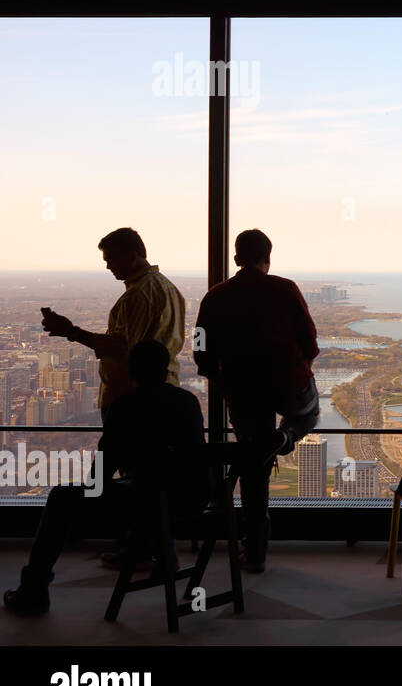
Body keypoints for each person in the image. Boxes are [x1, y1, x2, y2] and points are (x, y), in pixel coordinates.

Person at [3, 340, 209, 616]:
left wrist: (91, 494)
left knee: (62, 498)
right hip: (193, 500)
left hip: (150, 503)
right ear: (166, 369)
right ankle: (164, 551)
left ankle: (34, 588)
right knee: (155, 489)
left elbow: (102, 470)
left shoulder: (126, 405)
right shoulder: (188, 401)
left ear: (131, 371)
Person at [194, 229, 319, 573]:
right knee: (309, 415)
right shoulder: (285, 288)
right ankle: (288, 436)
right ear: (269, 257)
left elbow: (201, 352)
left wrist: (222, 380)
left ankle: (256, 551)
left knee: (254, 467)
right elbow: (309, 341)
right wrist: (300, 366)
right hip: (288, 381)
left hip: (243, 389)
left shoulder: (215, 297)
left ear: (235, 259)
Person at [39, 227, 186, 413]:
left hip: (132, 397)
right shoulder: (168, 288)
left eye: (111, 259)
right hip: (166, 386)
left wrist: (71, 332)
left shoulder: (138, 295)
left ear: (132, 257)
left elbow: (123, 347)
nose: (108, 267)